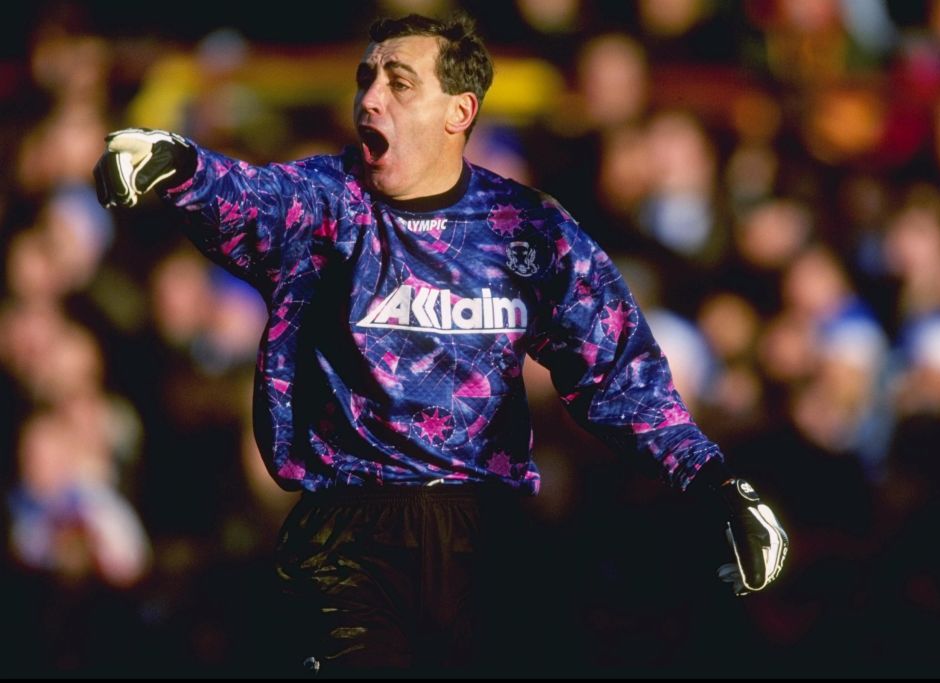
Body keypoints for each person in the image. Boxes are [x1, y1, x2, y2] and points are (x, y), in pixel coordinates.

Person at [93, 13, 788, 673]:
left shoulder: (524, 227)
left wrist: (713, 483)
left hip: (490, 540)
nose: (371, 98)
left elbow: (618, 371)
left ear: (460, 111)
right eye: (366, 79)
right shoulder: (329, 203)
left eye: (399, 82)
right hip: (350, 535)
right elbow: (247, 195)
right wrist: (177, 163)